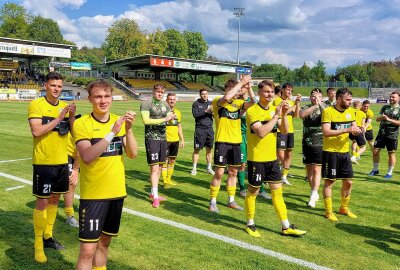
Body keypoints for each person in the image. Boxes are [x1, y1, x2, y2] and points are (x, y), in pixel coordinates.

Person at [74, 79, 138, 269]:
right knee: (87, 250)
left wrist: (128, 129)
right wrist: (111, 134)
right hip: (94, 196)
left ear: (112, 98)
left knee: (104, 244)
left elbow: (132, 154)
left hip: (117, 193)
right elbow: (87, 156)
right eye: (98, 97)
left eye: (107, 96)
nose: (103, 101)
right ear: (90, 99)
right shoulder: (82, 124)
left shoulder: (119, 121)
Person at [244, 80, 306, 237]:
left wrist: (283, 114)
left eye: (271, 92)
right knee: (253, 192)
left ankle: (286, 226)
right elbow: (261, 132)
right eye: (266, 92)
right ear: (259, 93)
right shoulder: (253, 111)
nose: (269, 94)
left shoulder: (274, 109)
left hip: (272, 160)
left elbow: (284, 129)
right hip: (257, 159)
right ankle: (250, 223)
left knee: (278, 192)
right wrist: (277, 115)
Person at [28, 72, 76, 263]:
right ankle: (38, 245)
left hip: (62, 162)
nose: (57, 89)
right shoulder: (36, 105)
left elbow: (72, 132)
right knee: (42, 203)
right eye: (53, 85)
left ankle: (48, 236)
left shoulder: (64, 107)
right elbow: (36, 131)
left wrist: (70, 117)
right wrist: (59, 117)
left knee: (55, 200)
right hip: (44, 163)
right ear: (45, 86)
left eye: (59, 86)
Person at [208, 75, 256, 213]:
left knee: (234, 172)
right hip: (222, 142)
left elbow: (254, 102)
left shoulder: (239, 104)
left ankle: (231, 200)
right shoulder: (218, 101)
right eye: (234, 89)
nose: (237, 92)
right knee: (219, 172)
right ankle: (212, 201)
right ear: (227, 89)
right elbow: (227, 98)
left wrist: (249, 87)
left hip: (236, 142)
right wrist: (241, 83)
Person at [322, 87, 361, 221]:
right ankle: (328, 211)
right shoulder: (328, 112)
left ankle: (344, 208)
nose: (350, 102)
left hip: (345, 153)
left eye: (351, 99)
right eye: (347, 99)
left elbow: (353, 127)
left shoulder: (350, 111)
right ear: (338, 99)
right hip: (331, 153)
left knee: (349, 182)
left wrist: (356, 131)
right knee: (329, 182)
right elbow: (326, 132)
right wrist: (347, 130)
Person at [140, 84, 176, 208]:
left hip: (163, 138)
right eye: (158, 91)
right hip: (152, 138)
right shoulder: (146, 104)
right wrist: (165, 119)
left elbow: (169, 120)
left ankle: (153, 193)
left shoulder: (165, 104)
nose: (160, 94)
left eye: (162, 92)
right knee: (154, 168)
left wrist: (171, 118)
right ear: (153, 91)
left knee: (160, 166)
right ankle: (155, 197)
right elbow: (146, 121)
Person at [237, 82, 271, 199]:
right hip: (241, 137)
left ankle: (261, 190)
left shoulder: (253, 105)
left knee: (259, 163)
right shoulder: (237, 104)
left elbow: (255, 101)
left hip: (252, 137)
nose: (241, 90)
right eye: (240, 88)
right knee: (242, 164)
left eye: (243, 88)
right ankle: (242, 188)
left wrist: (249, 87)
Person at [300, 88, 327, 208]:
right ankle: (313, 191)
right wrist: (314, 105)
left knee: (316, 170)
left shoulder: (325, 107)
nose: (315, 98)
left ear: (322, 97)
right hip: (306, 141)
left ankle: (313, 194)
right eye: (313, 96)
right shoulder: (306, 107)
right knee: (309, 169)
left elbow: (327, 115)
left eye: (318, 96)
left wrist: (320, 104)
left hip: (319, 142)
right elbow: (302, 115)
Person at [273, 83, 301, 185]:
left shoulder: (291, 101)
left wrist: (297, 104)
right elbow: (280, 113)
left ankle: (284, 176)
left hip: (290, 131)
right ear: (283, 90)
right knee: (280, 154)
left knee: (289, 154)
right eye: (288, 90)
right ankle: (273, 172)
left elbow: (296, 115)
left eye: (291, 91)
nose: (290, 92)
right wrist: (293, 106)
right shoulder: (277, 100)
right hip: (281, 130)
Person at [368, 91, 400, 179]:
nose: (391, 98)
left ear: (398, 98)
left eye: (393, 97)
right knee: (375, 152)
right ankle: (375, 170)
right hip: (381, 134)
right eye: (390, 97)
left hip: (392, 135)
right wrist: (382, 117)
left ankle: (389, 173)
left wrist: (389, 119)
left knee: (391, 153)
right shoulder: (385, 107)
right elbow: (377, 119)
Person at [162, 93, 185, 187]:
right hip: (165, 140)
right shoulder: (163, 112)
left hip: (175, 140)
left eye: (173, 99)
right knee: (164, 161)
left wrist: (182, 139)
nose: (172, 101)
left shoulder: (178, 112)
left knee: (172, 160)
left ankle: (168, 179)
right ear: (167, 100)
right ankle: (164, 180)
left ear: (176, 101)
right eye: (170, 99)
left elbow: (179, 126)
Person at [191, 88, 214, 176]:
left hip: (209, 129)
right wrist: (205, 111)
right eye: (203, 94)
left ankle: (209, 167)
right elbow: (195, 115)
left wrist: (213, 113)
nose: (205, 95)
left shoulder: (211, 104)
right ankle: (194, 168)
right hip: (200, 129)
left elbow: (215, 115)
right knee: (197, 149)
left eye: (206, 94)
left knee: (209, 149)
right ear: (200, 95)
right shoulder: (196, 104)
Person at [63, 132, 80, 227]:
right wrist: (75, 169)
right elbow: (80, 152)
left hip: (85, 153)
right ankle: (70, 215)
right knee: (71, 182)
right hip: (68, 152)